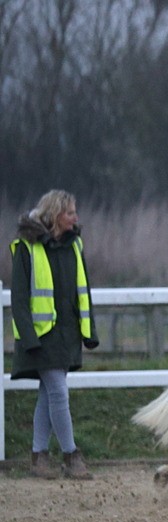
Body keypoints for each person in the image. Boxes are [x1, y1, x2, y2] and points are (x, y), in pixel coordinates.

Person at [10, 189, 99, 479]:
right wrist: (28, 338)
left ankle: (38, 457)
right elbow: (19, 299)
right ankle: (71, 455)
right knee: (59, 392)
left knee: (48, 395)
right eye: (70, 212)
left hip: (67, 334)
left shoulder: (75, 245)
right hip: (41, 336)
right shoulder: (26, 247)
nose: (76, 217)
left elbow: (83, 290)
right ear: (55, 215)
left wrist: (88, 330)